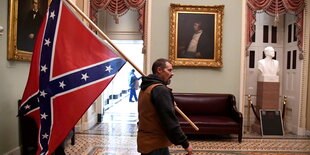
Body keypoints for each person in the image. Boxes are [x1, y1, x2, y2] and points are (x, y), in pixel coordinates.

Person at [137, 58, 193, 155]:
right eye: (169, 70)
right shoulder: (160, 90)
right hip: (155, 144)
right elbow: (169, 120)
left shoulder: (147, 87)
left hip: (148, 142)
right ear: (159, 70)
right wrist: (185, 143)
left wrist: (169, 102)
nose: (172, 73)